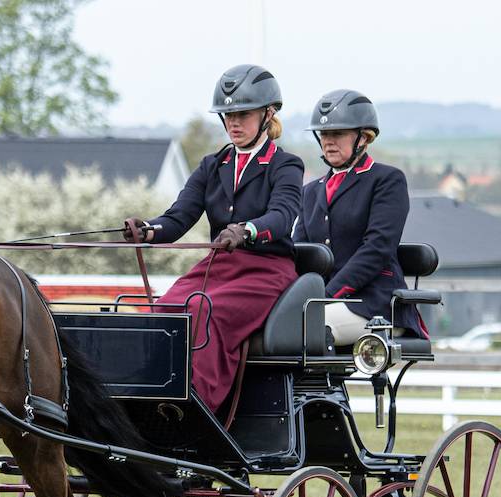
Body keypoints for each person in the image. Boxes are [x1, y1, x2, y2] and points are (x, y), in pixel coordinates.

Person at [124, 64, 303, 411]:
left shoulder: (286, 165)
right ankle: (148, 392)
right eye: (228, 115)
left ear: (268, 115)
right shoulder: (212, 165)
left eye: (243, 114)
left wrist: (247, 230)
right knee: (167, 307)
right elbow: (179, 217)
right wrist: (148, 230)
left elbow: (283, 216)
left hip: (267, 271)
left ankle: (198, 402)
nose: (234, 123)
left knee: (202, 308)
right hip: (219, 267)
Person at [294, 89, 425, 344]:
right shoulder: (310, 192)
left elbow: (377, 248)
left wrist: (327, 294)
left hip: (374, 303)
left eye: (338, 133)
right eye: (324, 134)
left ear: (364, 137)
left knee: (298, 327)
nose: (328, 141)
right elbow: (301, 252)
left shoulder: (387, 181)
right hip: (321, 301)